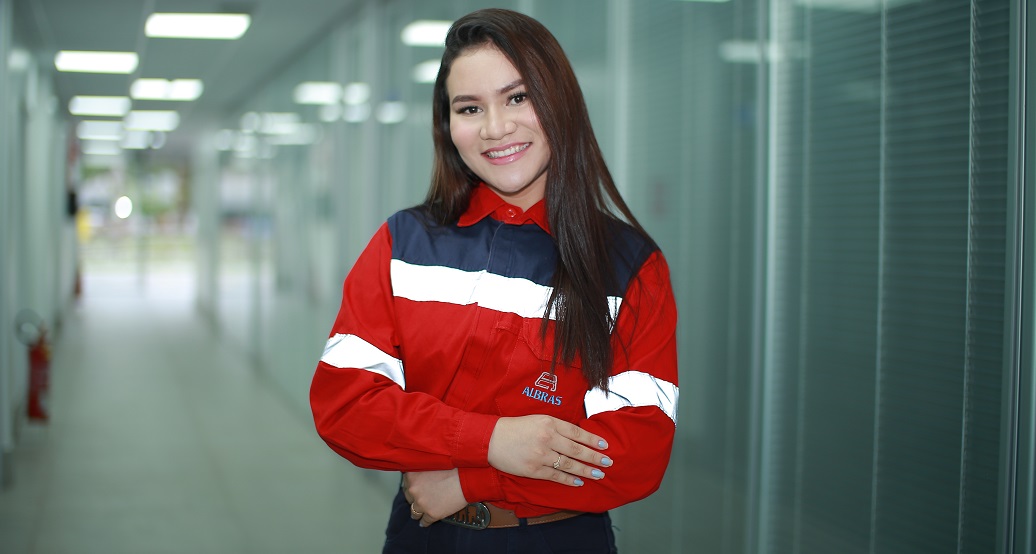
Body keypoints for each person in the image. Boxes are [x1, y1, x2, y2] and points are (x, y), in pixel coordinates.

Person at [310, 8, 679, 553]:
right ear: (448, 125)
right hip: (421, 536)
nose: (495, 128)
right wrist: (493, 439)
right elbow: (345, 406)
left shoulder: (629, 267)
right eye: (470, 108)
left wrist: (471, 481)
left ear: (559, 101)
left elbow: (636, 454)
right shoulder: (403, 246)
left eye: (518, 97)